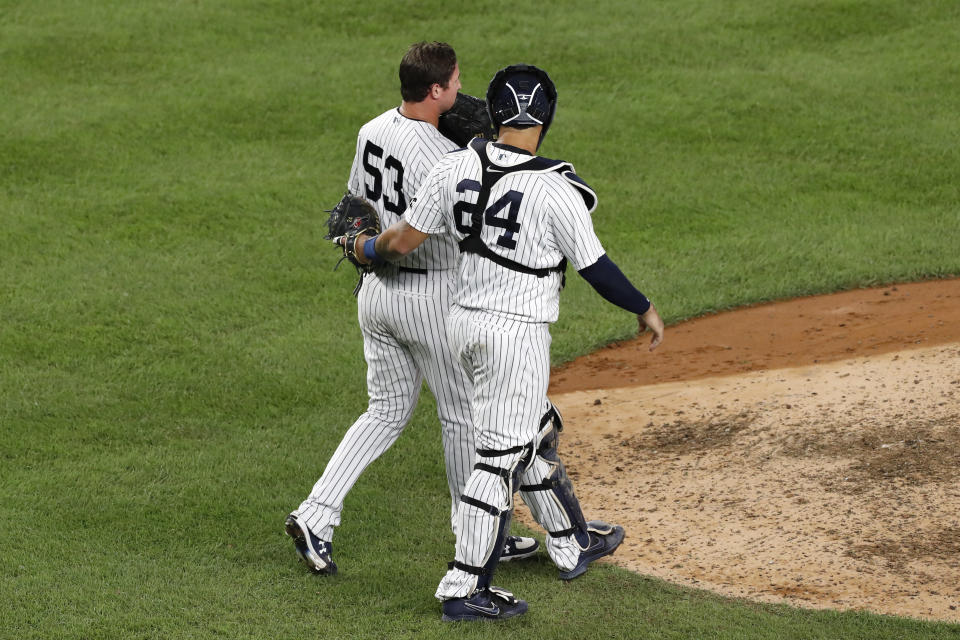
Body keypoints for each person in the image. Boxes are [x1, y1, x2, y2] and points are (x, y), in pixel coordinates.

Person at [345, 63, 665, 621]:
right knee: (499, 459)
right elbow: (598, 269)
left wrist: (364, 250)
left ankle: (570, 541)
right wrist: (644, 308)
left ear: (491, 114)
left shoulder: (453, 169)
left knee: (536, 425)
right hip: (513, 337)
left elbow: (401, 239)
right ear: (546, 120)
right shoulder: (554, 188)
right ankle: (464, 587)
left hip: (462, 326)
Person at [284, 43, 538, 575]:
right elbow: (445, 232)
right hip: (431, 297)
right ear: (436, 89)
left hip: (375, 296)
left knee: (385, 412)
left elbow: (354, 208)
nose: (460, 89)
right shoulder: (445, 160)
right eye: (454, 82)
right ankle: (478, 532)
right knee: (462, 416)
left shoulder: (372, 129)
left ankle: (316, 515)